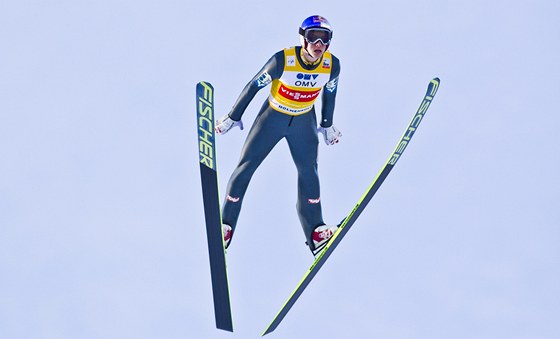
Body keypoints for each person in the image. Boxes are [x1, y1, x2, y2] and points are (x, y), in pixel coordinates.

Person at [216, 15, 342, 255]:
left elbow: (331, 93)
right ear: (303, 39)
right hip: (273, 118)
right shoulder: (282, 60)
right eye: (313, 37)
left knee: (309, 172)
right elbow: (254, 85)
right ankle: (225, 225)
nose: (318, 44)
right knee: (246, 167)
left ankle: (315, 232)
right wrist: (233, 117)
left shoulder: (332, 65)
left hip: (303, 122)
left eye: (324, 39)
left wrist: (327, 125)